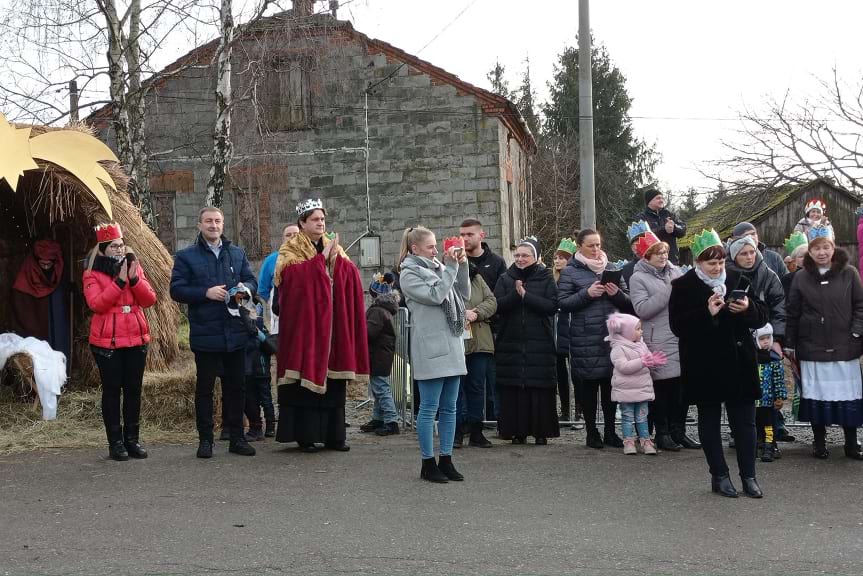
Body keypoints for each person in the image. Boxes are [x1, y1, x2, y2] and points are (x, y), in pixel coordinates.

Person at [669, 229, 767, 498]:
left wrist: (747, 310)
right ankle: (719, 475)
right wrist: (706, 313)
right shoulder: (683, 285)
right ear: (699, 262)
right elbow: (677, 325)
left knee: (745, 422)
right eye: (712, 263)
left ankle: (749, 476)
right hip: (705, 364)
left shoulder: (738, 278)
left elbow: (761, 316)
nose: (718, 267)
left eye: (721, 262)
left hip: (739, 363)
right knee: (709, 419)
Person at [272, 199, 368, 453]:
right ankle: (306, 436)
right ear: (302, 223)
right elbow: (289, 281)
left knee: (333, 384)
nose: (321, 224)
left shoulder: (335, 247)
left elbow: (351, 275)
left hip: (332, 326)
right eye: (315, 219)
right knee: (303, 384)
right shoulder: (290, 249)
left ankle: (335, 436)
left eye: (323, 220)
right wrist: (319, 262)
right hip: (305, 327)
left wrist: (337, 262)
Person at [170, 206, 259, 459]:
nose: (213, 225)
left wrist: (245, 289)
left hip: (236, 332)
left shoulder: (237, 253)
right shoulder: (186, 256)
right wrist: (204, 293)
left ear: (223, 224)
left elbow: (251, 281)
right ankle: (206, 440)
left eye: (218, 221)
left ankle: (237, 438)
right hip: (206, 333)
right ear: (199, 225)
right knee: (205, 390)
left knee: (236, 388)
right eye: (208, 221)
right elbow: (176, 290)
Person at [399, 226, 470, 483]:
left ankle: (447, 459)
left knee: (450, 407)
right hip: (430, 348)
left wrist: (461, 266)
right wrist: (450, 268)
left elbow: (463, 294)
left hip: (451, 343)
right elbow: (437, 294)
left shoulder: (440, 266)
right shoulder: (408, 274)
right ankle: (428, 462)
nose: (435, 250)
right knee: (429, 408)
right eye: (430, 247)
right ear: (414, 248)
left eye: (435, 245)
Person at [785, 228, 863, 460]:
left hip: (845, 346)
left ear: (833, 247)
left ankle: (851, 443)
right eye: (816, 248)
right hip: (813, 346)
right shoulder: (801, 277)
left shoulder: (849, 273)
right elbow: (793, 313)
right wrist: (790, 343)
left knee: (848, 395)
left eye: (826, 247)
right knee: (817, 395)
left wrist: (857, 332)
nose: (822, 252)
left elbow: (860, 306)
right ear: (810, 250)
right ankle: (819, 443)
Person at [83, 223, 157, 461]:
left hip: (136, 337)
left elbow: (149, 299)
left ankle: (132, 440)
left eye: (121, 245)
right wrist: (120, 282)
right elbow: (97, 304)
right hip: (107, 341)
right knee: (112, 391)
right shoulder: (92, 273)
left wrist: (134, 279)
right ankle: (115, 443)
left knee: (134, 390)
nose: (119, 249)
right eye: (113, 246)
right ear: (103, 249)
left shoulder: (135, 267)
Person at [558, 229, 632, 449]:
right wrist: (587, 294)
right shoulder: (570, 271)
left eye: (598, 245)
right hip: (584, 336)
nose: (596, 249)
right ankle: (592, 432)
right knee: (589, 386)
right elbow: (562, 302)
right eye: (591, 245)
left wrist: (615, 293)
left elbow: (627, 302)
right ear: (580, 246)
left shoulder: (611, 268)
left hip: (612, 335)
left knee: (611, 386)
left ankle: (611, 431)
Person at [628, 232, 701, 451]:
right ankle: (663, 432)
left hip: (679, 335)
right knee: (662, 389)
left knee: (681, 387)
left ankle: (679, 431)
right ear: (646, 256)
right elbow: (642, 309)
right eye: (657, 252)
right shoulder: (637, 277)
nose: (662, 256)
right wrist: (671, 289)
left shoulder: (675, 271)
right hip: (656, 339)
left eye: (665, 251)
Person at [726, 232, 791, 445]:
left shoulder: (768, 274)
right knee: (738, 388)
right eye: (743, 253)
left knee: (769, 389)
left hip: (765, 338)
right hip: (738, 340)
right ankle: (739, 433)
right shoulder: (727, 276)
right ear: (734, 257)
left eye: (752, 252)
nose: (749, 257)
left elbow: (779, 306)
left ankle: (771, 435)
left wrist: (778, 339)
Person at [494, 237, 560, 445]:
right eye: (518, 256)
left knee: (538, 389)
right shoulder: (506, 278)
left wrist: (526, 296)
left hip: (539, 341)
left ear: (536, 257)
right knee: (515, 390)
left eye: (525, 255)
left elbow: (551, 305)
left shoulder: (546, 277)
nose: (521, 259)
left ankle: (541, 432)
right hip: (511, 343)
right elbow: (497, 306)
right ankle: (517, 431)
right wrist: (516, 295)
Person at [460, 218, 506, 422]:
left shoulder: (496, 262)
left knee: (487, 381)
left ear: (481, 235)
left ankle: (488, 421)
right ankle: (463, 425)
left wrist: (479, 312)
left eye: (469, 234)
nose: (465, 238)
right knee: (462, 383)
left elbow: (497, 297)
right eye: (462, 234)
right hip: (460, 332)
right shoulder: (455, 264)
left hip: (488, 329)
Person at [606, 313, 665, 455]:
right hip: (626, 391)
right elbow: (623, 367)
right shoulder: (618, 348)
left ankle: (645, 440)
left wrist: (653, 361)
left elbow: (647, 360)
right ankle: (628, 441)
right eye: (638, 329)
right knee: (627, 417)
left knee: (642, 417)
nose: (641, 331)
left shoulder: (641, 344)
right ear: (627, 333)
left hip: (642, 389)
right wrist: (643, 362)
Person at [454, 262, 497, 448]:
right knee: (456, 389)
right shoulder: (448, 278)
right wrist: (460, 313)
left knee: (477, 388)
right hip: (457, 342)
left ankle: (476, 431)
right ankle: (456, 431)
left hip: (479, 341)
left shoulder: (478, 279)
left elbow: (492, 301)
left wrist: (476, 313)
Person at [12, 238, 70, 361]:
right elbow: (20, 306)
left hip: (55, 315)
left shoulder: (58, 273)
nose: (46, 268)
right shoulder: (27, 274)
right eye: (42, 264)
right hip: (37, 324)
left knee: (59, 337)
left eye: (49, 264)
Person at [360, 274, 401, 437]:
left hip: (377, 356)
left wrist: (358, 328)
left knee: (381, 389)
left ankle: (391, 421)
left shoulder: (377, 311)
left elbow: (369, 333)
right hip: (382, 355)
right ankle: (378, 418)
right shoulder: (385, 310)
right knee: (378, 388)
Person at [553, 238, 581, 426]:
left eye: (562, 257)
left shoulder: (575, 278)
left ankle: (578, 411)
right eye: (555, 257)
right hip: (556, 330)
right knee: (560, 375)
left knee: (576, 374)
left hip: (572, 328)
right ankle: (564, 410)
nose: (557, 261)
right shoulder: (551, 278)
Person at [241, 294, 277, 441]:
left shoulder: (262, 331)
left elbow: (272, 348)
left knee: (266, 400)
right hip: (249, 372)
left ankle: (270, 427)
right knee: (252, 400)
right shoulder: (244, 332)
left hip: (262, 372)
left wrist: (260, 336)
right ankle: (257, 426)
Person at [753, 324, 787, 463]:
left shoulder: (774, 359)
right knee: (754, 425)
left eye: (768, 338)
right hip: (753, 401)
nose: (766, 341)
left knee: (768, 425)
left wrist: (779, 397)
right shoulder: (751, 359)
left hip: (768, 401)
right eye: (762, 339)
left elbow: (779, 380)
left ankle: (769, 446)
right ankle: (754, 446)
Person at [258, 224, 300, 334]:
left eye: (296, 234)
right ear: (283, 239)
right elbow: (263, 289)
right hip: (280, 316)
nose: (292, 237)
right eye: (288, 235)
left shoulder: (311, 257)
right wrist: (275, 304)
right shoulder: (271, 260)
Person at [635, 189, 687, 264]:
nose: (661, 200)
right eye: (658, 198)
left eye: (662, 198)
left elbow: (683, 229)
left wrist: (674, 228)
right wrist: (664, 229)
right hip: (651, 261)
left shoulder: (669, 214)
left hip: (671, 260)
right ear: (649, 201)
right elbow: (642, 236)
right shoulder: (641, 217)